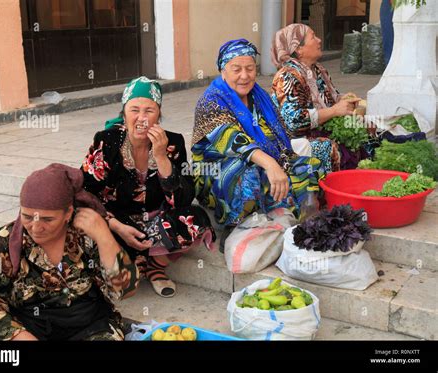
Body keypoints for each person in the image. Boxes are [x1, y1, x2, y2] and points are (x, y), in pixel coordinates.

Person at [0, 163, 139, 341]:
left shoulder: (87, 233)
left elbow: (126, 290)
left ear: (68, 213)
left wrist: (105, 237)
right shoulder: (4, 241)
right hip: (29, 328)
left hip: (90, 325)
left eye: (47, 219)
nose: (35, 228)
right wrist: (19, 336)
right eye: (27, 216)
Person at [82, 76, 214, 298]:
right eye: (134, 110)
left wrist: (161, 157)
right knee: (115, 282)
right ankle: (135, 261)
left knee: (195, 220)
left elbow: (181, 199)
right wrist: (115, 226)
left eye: (149, 111)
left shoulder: (173, 143)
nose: (141, 118)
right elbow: (84, 193)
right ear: (123, 113)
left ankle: (154, 265)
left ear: (158, 115)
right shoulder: (107, 141)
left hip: (155, 220)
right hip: (117, 222)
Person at [191, 39, 325, 250]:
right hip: (218, 171)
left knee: (309, 165)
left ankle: (303, 222)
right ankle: (234, 222)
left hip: (262, 160)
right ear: (222, 71)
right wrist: (271, 165)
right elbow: (232, 140)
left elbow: (280, 137)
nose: (244, 76)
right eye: (236, 69)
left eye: (250, 68)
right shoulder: (211, 101)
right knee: (246, 173)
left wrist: (282, 162)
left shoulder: (260, 98)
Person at [271, 23, 365, 171]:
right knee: (329, 147)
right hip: (297, 138)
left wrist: (342, 100)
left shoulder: (318, 69)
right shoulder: (288, 76)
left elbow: (329, 100)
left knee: (362, 128)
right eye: (313, 37)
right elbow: (294, 122)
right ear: (298, 49)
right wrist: (334, 111)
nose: (319, 40)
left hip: (321, 127)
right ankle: (327, 189)